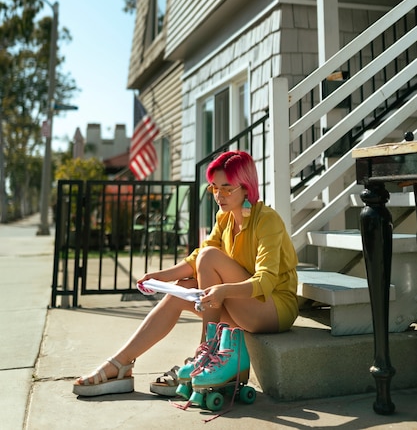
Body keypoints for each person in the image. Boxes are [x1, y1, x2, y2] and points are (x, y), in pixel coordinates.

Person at [73, 150, 298, 397]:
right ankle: (121, 363)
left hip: (273, 308)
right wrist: (161, 276)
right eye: (214, 188)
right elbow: (196, 259)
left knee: (209, 257)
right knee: (182, 287)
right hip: (245, 304)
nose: (219, 196)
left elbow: (265, 281)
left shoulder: (267, 221)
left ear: (246, 188)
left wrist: (223, 291)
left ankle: (204, 354)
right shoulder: (224, 217)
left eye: (227, 188)